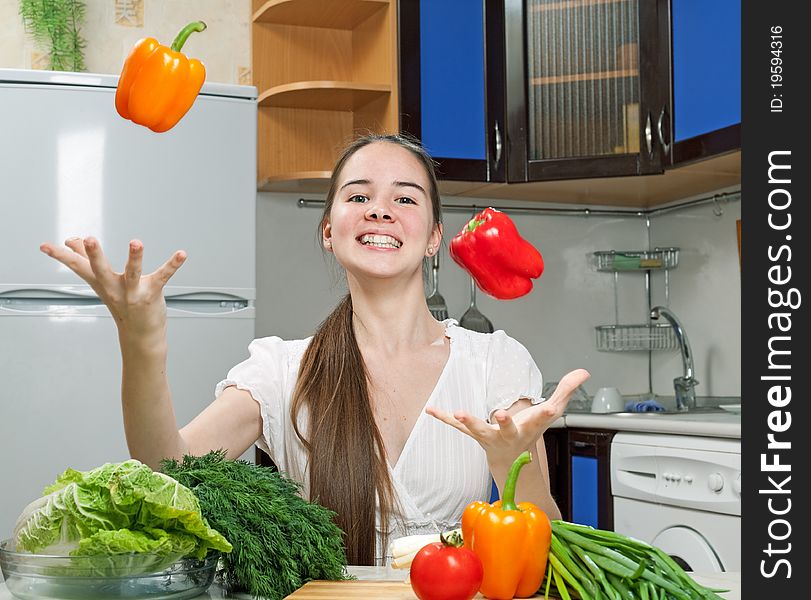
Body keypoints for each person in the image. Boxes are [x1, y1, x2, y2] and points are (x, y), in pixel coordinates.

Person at [40, 133, 589, 566]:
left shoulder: (495, 362)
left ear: (433, 239)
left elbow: (547, 541)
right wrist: (141, 341)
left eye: (404, 198)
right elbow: (168, 467)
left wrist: (511, 463)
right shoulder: (281, 369)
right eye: (358, 196)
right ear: (329, 231)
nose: (379, 210)